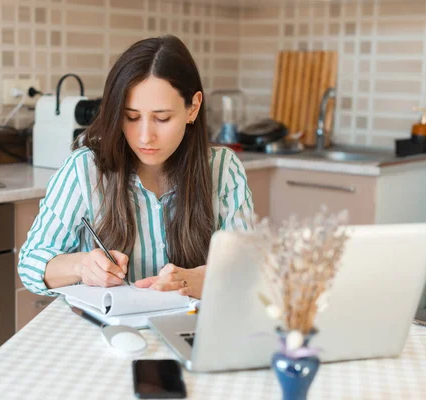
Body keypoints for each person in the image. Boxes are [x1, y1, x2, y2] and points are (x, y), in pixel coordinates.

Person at [18, 35, 253, 300]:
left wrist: (200, 278)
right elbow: (30, 264)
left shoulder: (222, 169)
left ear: (193, 108)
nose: (144, 136)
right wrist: (80, 266)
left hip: (192, 330)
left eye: (162, 118)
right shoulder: (85, 169)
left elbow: (246, 268)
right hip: (107, 335)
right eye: (131, 117)